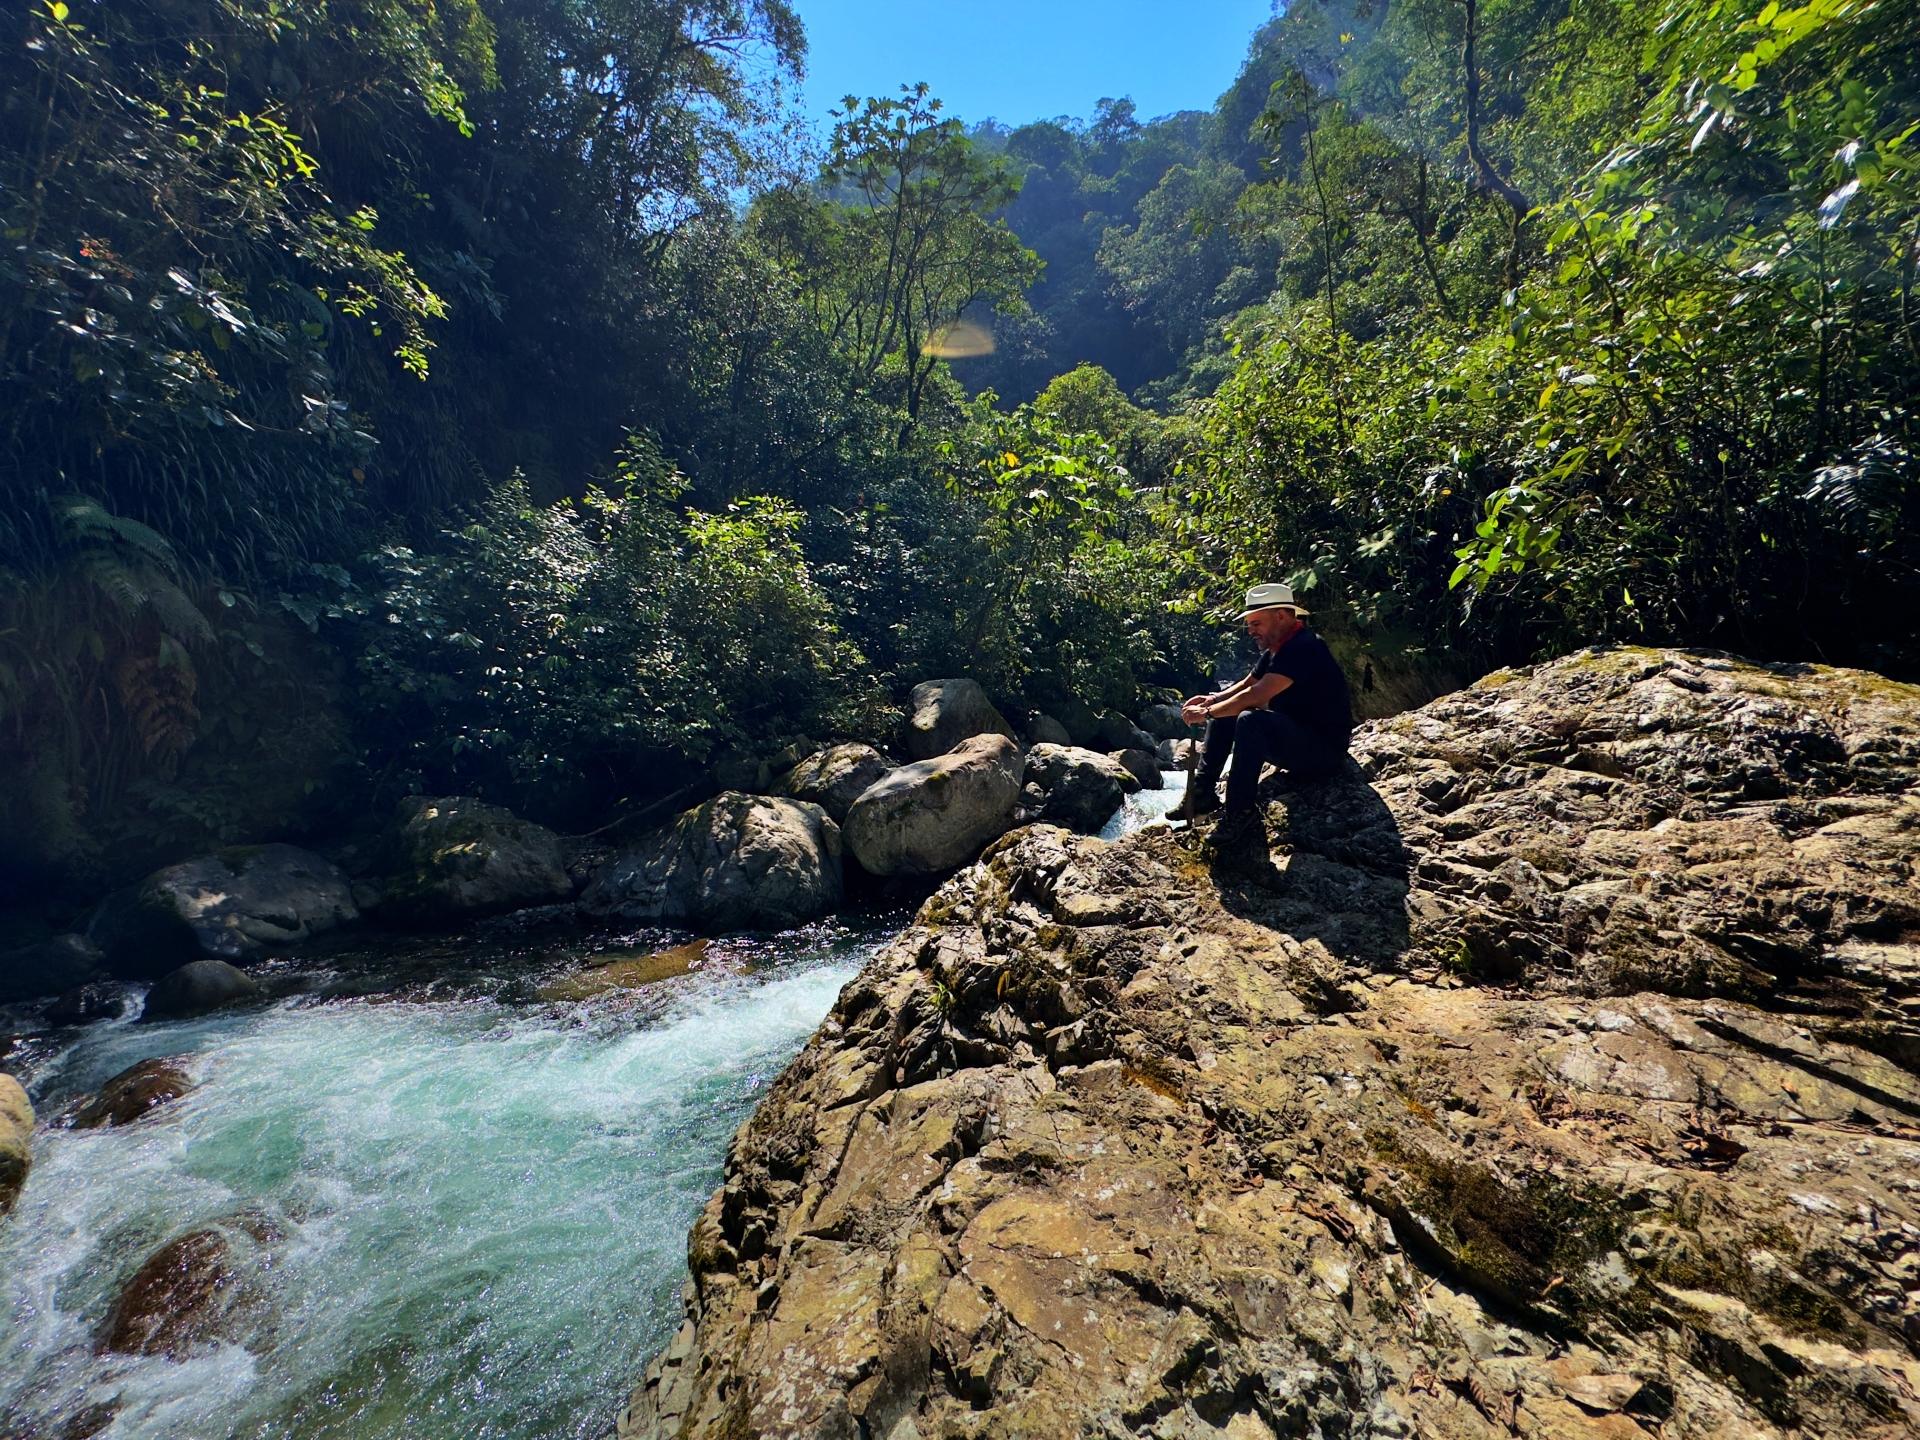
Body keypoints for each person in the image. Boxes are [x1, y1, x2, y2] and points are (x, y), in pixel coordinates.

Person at [1179, 582, 1354, 854]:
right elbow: (1250, 682)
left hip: (1324, 750)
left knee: (1250, 719)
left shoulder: (1303, 647)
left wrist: (1208, 713)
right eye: (1250, 624)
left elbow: (1258, 695)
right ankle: (1202, 793)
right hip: (1299, 737)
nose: (1251, 631)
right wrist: (1213, 700)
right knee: (1229, 710)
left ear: (1281, 616)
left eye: (1257, 623)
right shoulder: (1279, 647)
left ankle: (1240, 813)